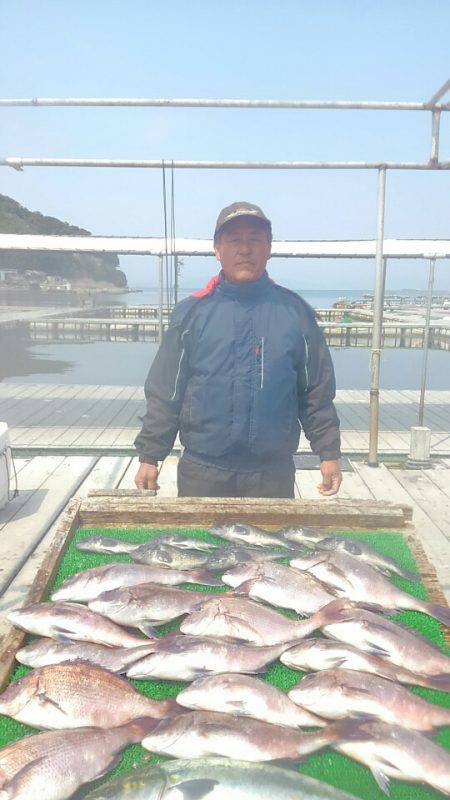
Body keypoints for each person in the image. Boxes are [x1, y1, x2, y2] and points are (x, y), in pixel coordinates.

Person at [135, 202, 342, 498]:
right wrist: (149, 456)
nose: (245, 249)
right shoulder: (191, 314)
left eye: (255, 240)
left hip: (272, 473)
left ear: (268, 248)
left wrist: (329, 453)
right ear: (217, 250)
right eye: (234, 241)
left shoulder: (296, 314)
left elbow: (316, 394)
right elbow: (166, 391)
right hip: (202, 470)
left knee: (270, 546)